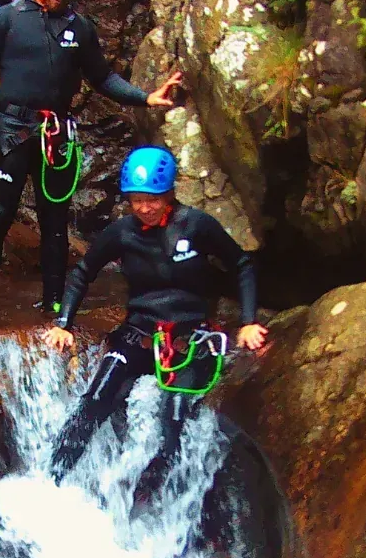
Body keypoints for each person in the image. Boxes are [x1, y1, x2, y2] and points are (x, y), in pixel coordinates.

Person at [0, 0, 184, 316]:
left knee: (55, 222)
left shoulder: (79, 28)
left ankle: (54, 299)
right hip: (11, 129)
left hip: (56, 134)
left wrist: (145, 97)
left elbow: (102, 77)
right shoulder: (6, 19)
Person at [47, 144, 269, 502]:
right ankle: (51, 479)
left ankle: (141, 508)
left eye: (152, 199)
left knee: (175, 421)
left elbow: (241, 264)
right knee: (96, 400)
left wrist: (248, 322)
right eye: (136, 200)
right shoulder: (122, 232)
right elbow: (83, 273)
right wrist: (63, 323)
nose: (144, 208)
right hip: (139, 334)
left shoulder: (196, 225)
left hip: (189, 339)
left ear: (169, 194)